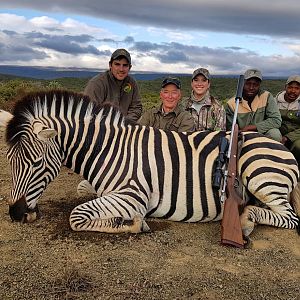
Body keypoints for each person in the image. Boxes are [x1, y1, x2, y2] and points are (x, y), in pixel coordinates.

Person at [84, 48, 142, 122]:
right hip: (101, 128)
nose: (121, 69)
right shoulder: (97, 83)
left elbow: (136, 107)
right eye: (117, 64)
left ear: (129, 67)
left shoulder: (132, 83)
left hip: (124, 128)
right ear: (110, 65)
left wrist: (124, 122)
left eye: (125, 65)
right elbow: (88, 112)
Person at [225, 68, 282, 141]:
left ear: (259, 85)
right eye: (248, 84)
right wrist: (239, 133)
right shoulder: (232, 103)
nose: (251, 88)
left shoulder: (267, 96)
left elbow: (276, 120)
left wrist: (254, 127)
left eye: (255, 84)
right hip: (242, 135)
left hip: (262, 132)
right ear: (243, 83)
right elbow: (230, 128)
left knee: (275, 134)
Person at [275, 75, 300, 165]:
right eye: (290, 87)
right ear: (285, 87)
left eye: (297, 88)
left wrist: (288, 138)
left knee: (298, 146)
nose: (293, 91)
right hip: (278, 131)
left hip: (296, 134)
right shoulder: (275, 101)